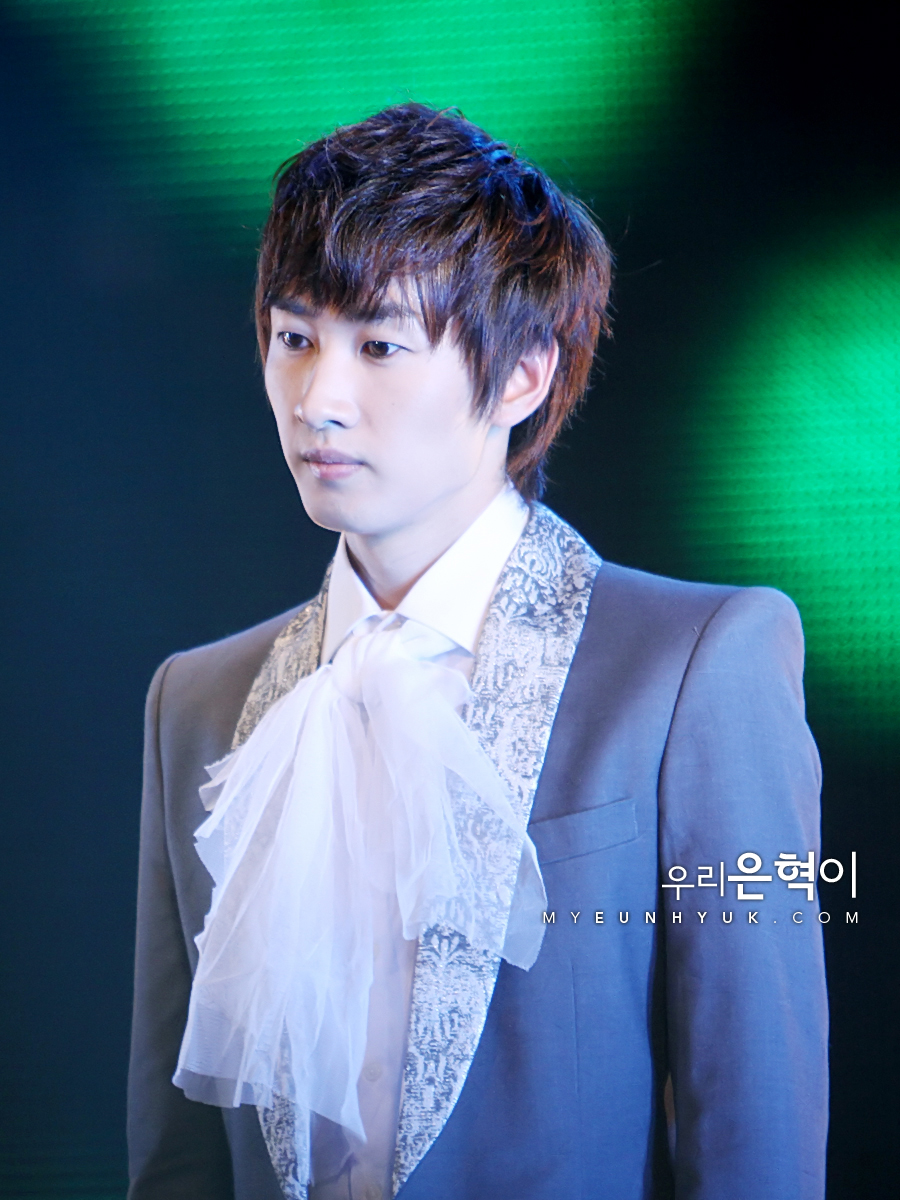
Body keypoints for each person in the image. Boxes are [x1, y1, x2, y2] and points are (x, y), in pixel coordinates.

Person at [127, 103, 828, 1200]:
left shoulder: (698, 666)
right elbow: (179, 1156)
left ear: (522, 377)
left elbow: (758, 1128)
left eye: (380, 346)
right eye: (295, 337)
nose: (318, 399)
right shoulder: (200, 701)